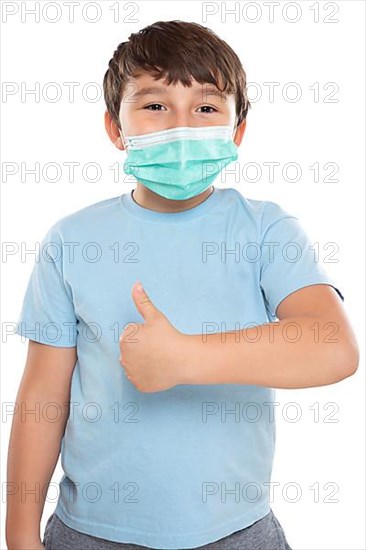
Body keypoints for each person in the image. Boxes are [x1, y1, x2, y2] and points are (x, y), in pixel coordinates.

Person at [6, 20, 359, 550]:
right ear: (114, 128)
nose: (181, 126)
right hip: (91, 533)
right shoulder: (71, 240)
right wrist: (18, 534)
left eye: (206, 107)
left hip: (238, 531)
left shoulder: (265, 229)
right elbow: (43, 395)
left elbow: (333, 348)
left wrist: (184, 357)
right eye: (154, 106)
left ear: (237, 131)